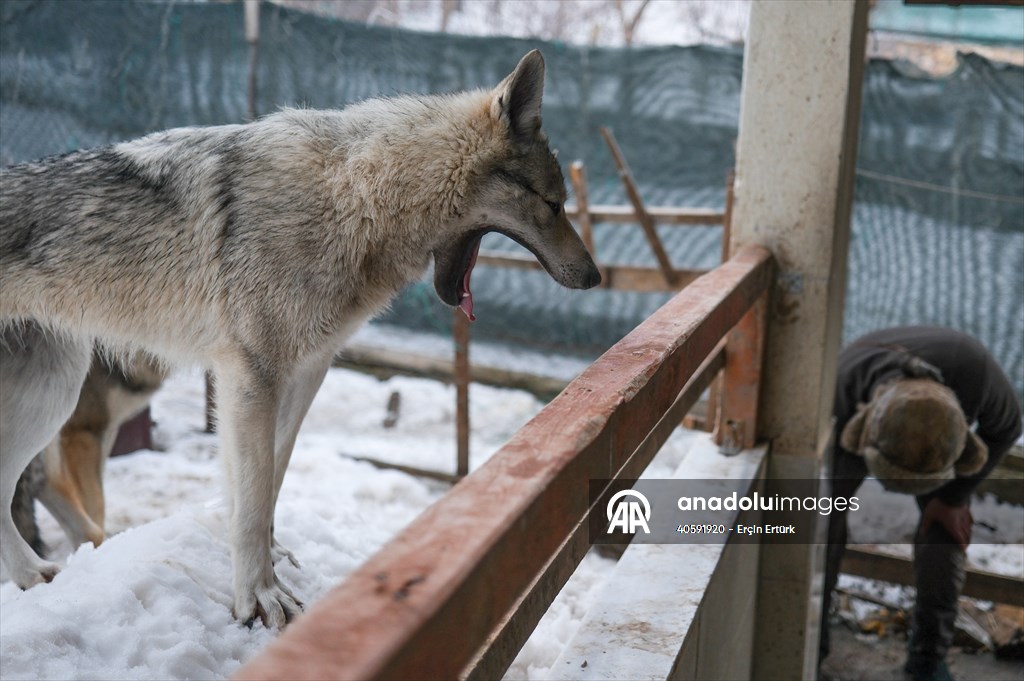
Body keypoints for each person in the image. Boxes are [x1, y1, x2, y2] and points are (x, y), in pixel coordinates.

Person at [820, 326, 1022, 681]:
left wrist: (952, 498)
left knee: (944, 527)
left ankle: (929, 660)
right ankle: (812, 644)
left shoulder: (974, 371)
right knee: (824, 527)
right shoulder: (839, 391)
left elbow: (1007, 428)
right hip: (857, 408)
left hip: (940, 441)